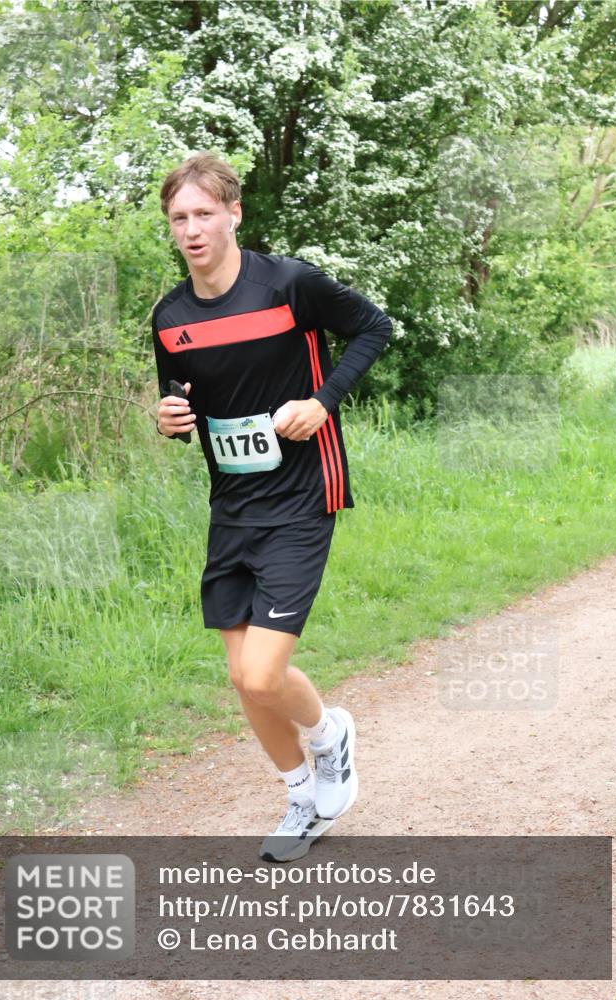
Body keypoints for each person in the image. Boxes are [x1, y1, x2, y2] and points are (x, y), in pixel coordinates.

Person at [153, 152, 392, 862]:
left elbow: (374, 328)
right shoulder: (170, 318)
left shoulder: (288, 284)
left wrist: (321, 402)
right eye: (178, 219)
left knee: (261, 673)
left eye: (203, 214)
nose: (192, 230)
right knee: (240, 676)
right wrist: (169, 418)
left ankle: (328, 739)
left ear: (233, 214)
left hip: (301, 495)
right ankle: (299, 795)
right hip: (232, 504)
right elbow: (181, 403)